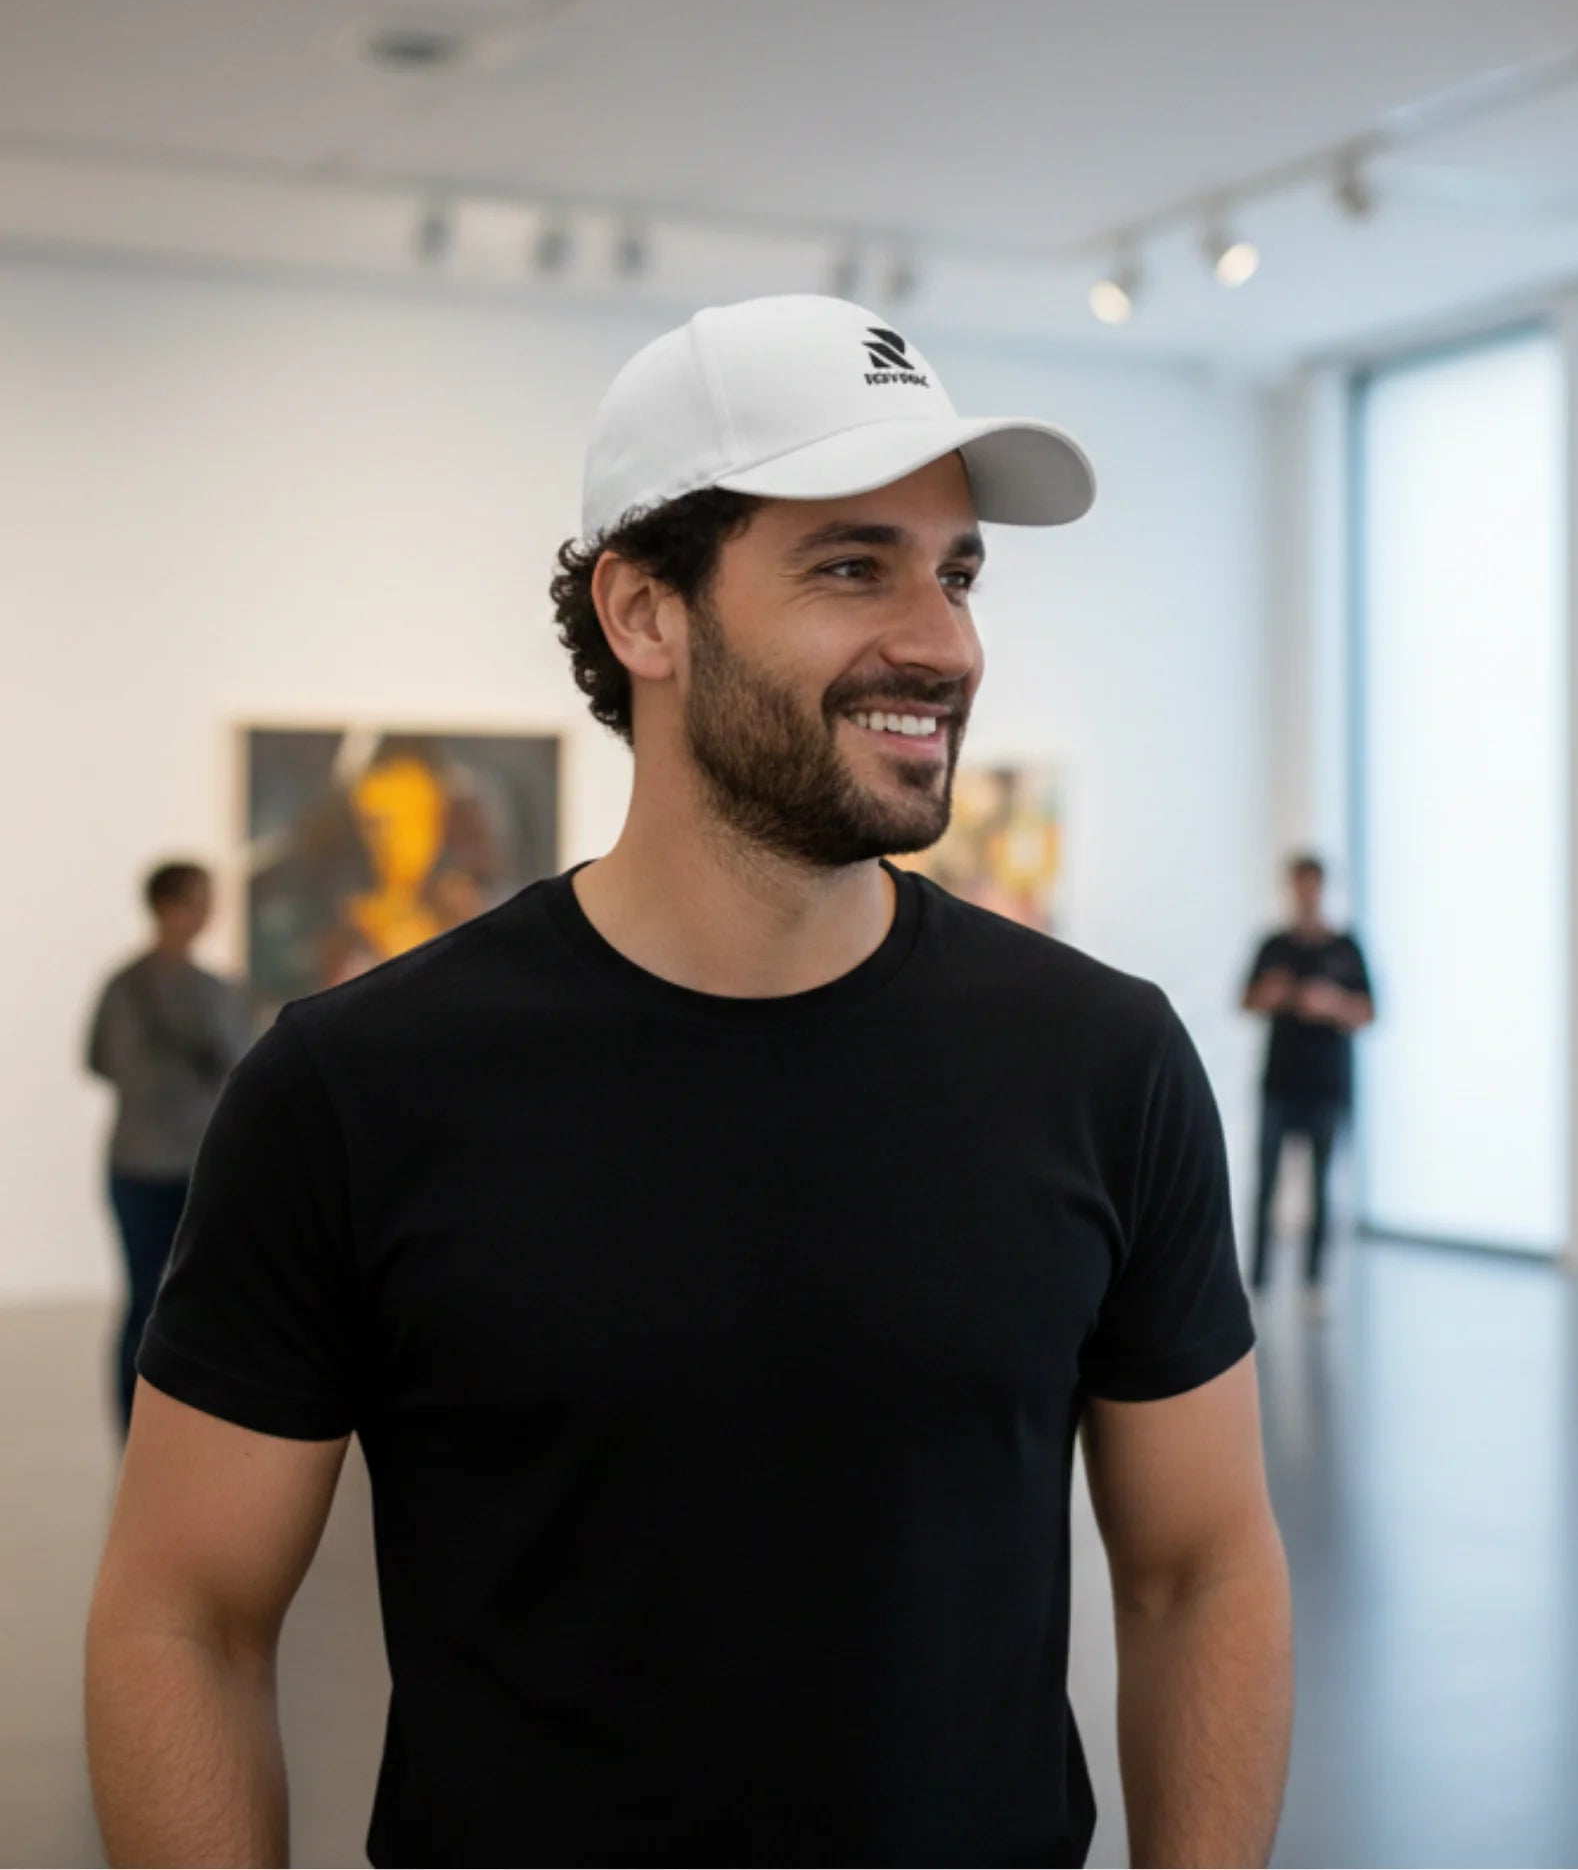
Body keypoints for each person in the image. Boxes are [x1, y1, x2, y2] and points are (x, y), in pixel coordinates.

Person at [85, 296, 1295, 1869]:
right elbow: (182, 1615)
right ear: (645, 612)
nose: (940, 638)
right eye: (853, 564)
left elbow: (1199, 1565)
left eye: (957, 570)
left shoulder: (1100, 1059)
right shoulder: (357, 1088)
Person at [83, 861, 250, 1438]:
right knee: (151, 1302)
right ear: (169, 906)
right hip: (151, 1162)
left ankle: (159, 1429)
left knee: (167, 1301)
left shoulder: (139, 987)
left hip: (173, 1161)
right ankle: (144, 1430)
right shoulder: (180, 990)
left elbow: (99, 1061)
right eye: (198, 901)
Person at [1240, 854, 1375, 1306]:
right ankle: (1257, 1281)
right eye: (1298, 886)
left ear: (1322, 888)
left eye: (1312, 886)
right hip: (1279, 1083)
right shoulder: (1273, 945)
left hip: (1327, 1087)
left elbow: (1368, 1011)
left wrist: (1331, 1004)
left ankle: (1313, 1282)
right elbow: (1246, 1000)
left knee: (1321, 1188)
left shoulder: (1345, 948)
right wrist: (1273, 995)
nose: (1305, 894)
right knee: (1265, 1184)